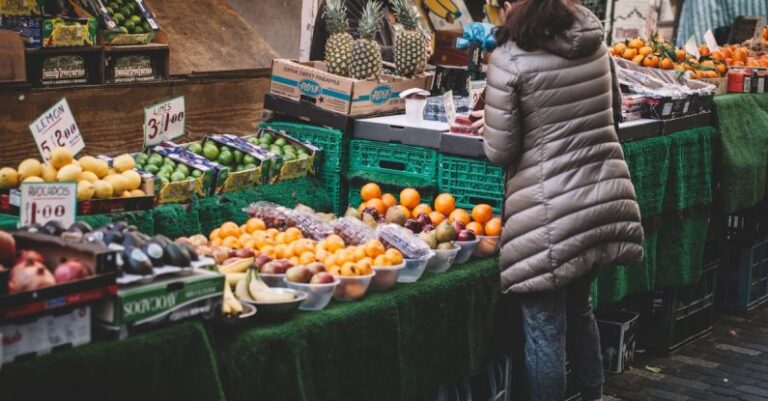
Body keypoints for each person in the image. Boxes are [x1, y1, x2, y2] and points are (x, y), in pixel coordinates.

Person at [471, 1, 644, 400]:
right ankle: (593, 395)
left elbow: (500, 150)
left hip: (548, 213)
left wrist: (490, 124)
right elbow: (614, 115)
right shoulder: (596, 45)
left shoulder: (509, 59)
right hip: (600, 200)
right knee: (579, 307)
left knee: (545, 327)